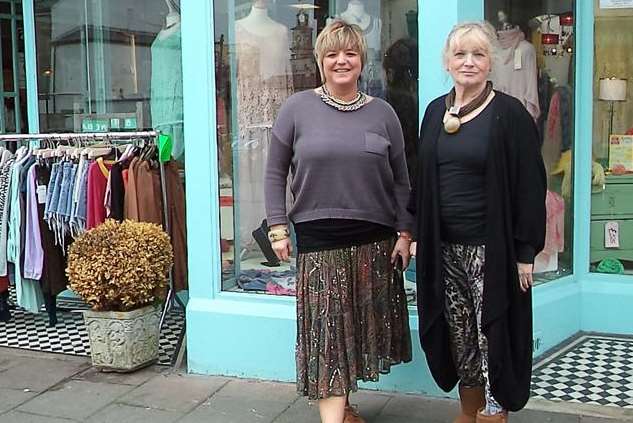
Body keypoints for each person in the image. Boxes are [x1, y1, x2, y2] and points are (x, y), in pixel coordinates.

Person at [265, 20, 413, 423]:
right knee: (329, 335)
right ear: (320, 61)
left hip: (375, 241)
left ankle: (344, 408)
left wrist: (406, 231)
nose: (341, 61)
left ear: (362, 61)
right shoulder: (297, 108)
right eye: (332, 54)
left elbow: (402, 179)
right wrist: (278, 227)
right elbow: (275, 172)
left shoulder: (383, 114)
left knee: (356, 332)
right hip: (320, 240)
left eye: (349, 53)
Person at [408, 22, 546, 423]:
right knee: (459, 333)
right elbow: (423, 179)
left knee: (493, 334)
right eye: (460, 54)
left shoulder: (510, 114)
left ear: (491, 63)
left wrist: (525, 253)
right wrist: (414, 232)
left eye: (478, 55)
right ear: (447, 62)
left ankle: (493, 413)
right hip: (443, 248)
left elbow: (529, 186)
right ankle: (469, 412)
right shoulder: (435, 111)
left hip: (491, 249)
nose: (469, 62)